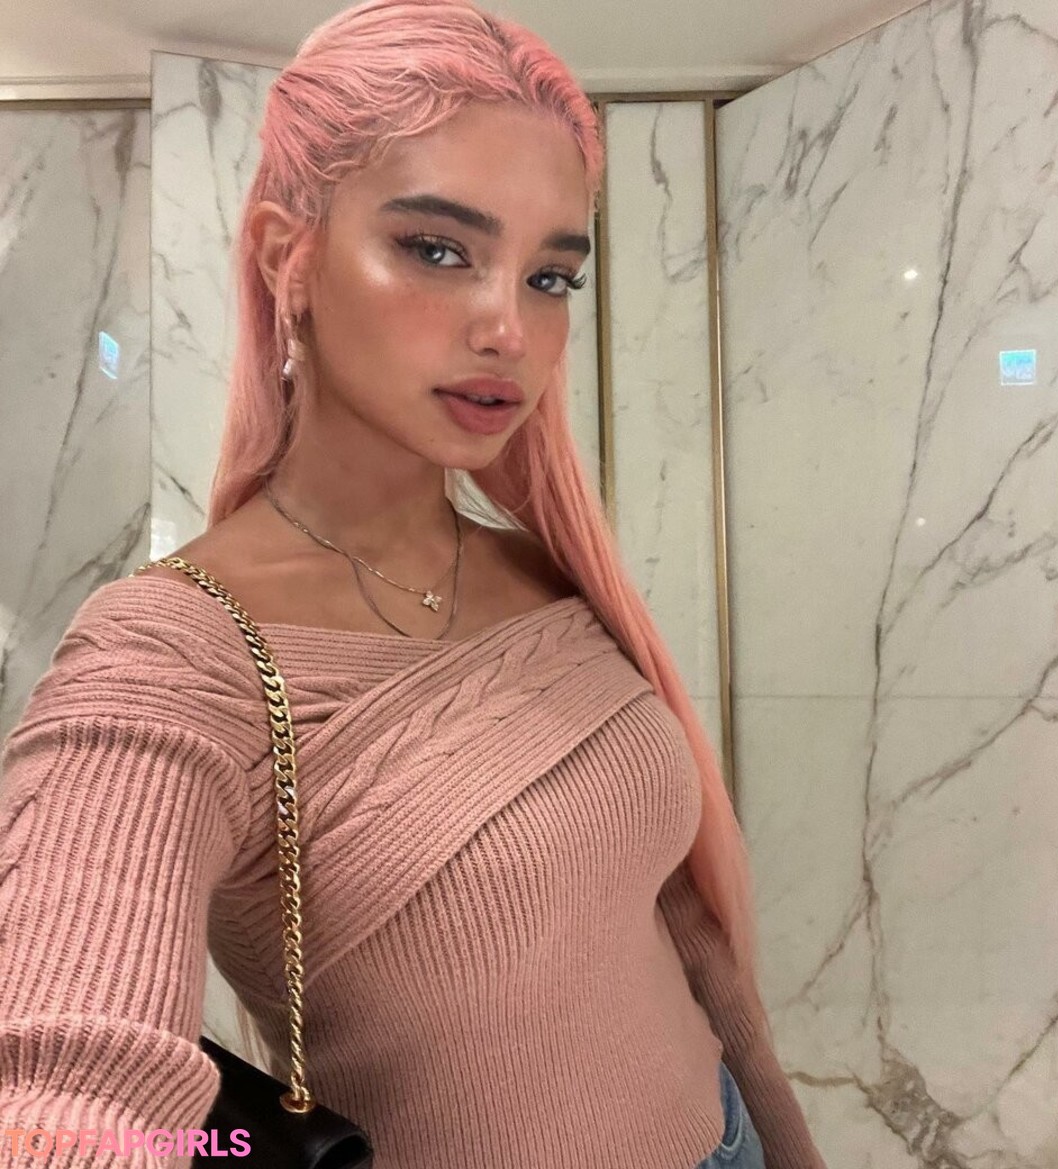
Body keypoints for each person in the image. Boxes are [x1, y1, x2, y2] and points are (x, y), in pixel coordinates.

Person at [0, 1, 827, 1166]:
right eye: (439, 249)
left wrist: (783, 1138)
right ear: (288, 256)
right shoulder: (172, 659)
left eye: (551, 275)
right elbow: (69, 1084)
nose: (509, 327)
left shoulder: (541, 572)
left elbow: (679, 925)